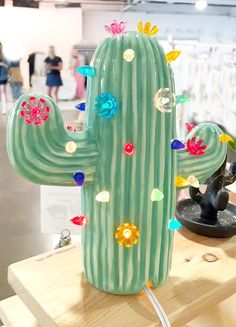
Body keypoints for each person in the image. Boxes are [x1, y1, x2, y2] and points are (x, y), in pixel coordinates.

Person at [0, 42, 9, 114]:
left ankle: (4, 109)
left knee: (3, 92)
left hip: (2, 77)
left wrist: (2, 64)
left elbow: (8, 66)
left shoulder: (4, 56)